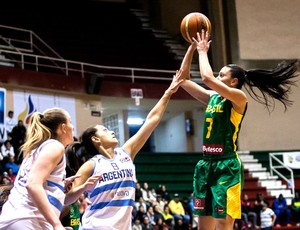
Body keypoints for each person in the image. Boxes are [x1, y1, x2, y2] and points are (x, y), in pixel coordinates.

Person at [178, 30, 298, 230]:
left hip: (226, 165)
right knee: (203, 224)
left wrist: (202, 50)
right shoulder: (212, 97)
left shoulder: (239, 99)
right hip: (205, 165)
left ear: (234, 82)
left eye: (222, 75)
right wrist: (191, 49)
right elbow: (182, 79)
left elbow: (207, 78)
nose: (217, 76)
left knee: (224, 222)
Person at [64, 71, 184, 230]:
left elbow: (151, 121)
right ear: (96, 139)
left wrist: (168, 93)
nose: (112, 131)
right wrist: (82, 189)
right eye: (105, 130)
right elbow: (66, 200)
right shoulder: (91, 165)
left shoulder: (126, 152)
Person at [0, 108, 85, 230]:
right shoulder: (55, 146)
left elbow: (31, 182)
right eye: (70, 122)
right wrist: (56, 224)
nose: (72, 127)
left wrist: (60, 184)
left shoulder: (36, 149)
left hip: (18, 218)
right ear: (63, 128)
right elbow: (33, 184)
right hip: (28, 219)